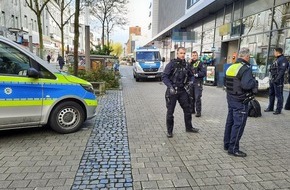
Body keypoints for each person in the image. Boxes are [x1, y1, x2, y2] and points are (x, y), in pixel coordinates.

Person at [224, 47, 258, 157]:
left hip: (231, 98)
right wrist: (254, 82)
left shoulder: (231, 66)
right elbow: (246, 85)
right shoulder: (245, 69)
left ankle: (227, 144)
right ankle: (233, 149)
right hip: (241, 101)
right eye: (249, 57)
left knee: (230, 122)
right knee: (238, 125)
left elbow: (226, 82)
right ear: (247, 57)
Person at [162, 47, 199, 138]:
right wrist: (170, 87)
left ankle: (189, 127)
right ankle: (169, 131)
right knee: (170, 112)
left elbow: (192, 75)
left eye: (184, 53)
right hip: (173, 91)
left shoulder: (186, 65)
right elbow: (164, 77)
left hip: (183, 90)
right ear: (177, 54)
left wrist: (191, 82)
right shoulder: (171, 64)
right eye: (181, 53)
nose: (182, 55)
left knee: (188, 109)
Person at [264, 47, 289, 114]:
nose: (274, 53)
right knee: (271, 93)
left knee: (279, 95)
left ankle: (278, 109)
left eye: (274, 52)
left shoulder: (283, 59)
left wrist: (277, 79)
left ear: (278, 52)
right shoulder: (277, 59)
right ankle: (270, 107)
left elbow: (282, 71)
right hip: (273, 79)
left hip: (278, 80)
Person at [189, 51, 206, 117]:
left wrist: (197, 74)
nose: (194, 56)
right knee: (191, 97)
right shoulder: (190, 63)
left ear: (197, 56)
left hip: (198, 82)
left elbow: (204, 73)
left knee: (197, 97)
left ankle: (198, 112)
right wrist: (189, 63)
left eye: (195, 55)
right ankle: (192, 110)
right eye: (193, 55)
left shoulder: (200, 63)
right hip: (191, 82)